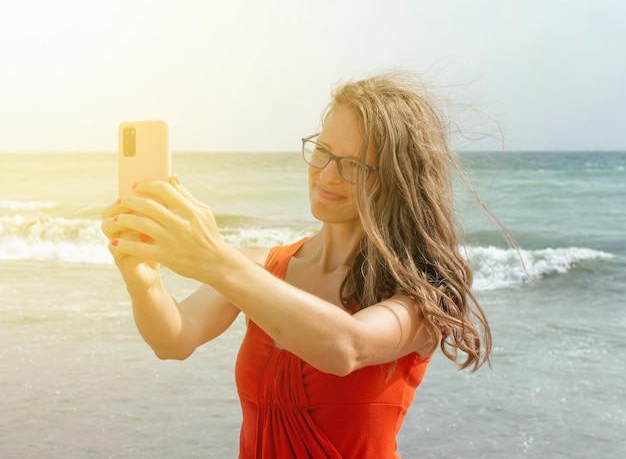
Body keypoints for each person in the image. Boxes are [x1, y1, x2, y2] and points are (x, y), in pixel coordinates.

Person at [101, 72, 494, 458]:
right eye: (323, 151)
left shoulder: (419, 297)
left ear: (397, 180)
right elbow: (174, 340)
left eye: (354, 165)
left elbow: (346, 348)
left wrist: (214, 257)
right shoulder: (262, 267)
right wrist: (143, 280)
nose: (327, 174)